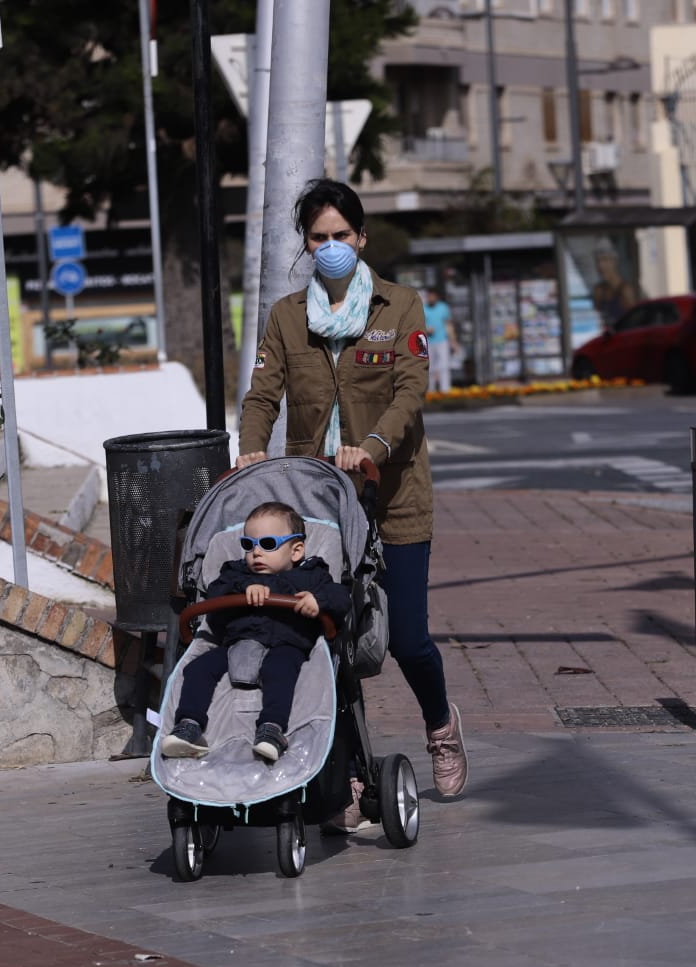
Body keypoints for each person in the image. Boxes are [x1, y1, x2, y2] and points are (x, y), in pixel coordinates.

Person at [236, 177, 469, 808]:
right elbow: (262, 395)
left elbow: (410, 394)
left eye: (342, 235)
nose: (332, 246)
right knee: (326, 636)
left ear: (361, 238)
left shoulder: (400, 306)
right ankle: (347, 769)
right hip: (319, 505)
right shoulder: (288, 316)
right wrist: (251, 447)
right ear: (306, 246)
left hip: (393, 497)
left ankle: (441, 727)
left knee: (405, 638)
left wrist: (373, 448)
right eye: (319, 238)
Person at [162, 502, 350, 763]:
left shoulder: (311, 575)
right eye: (249, 546)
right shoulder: (235, 573)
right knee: (197, 668)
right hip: (237, 645)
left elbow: (340, 597)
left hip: (287, 644)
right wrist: (243, 589)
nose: (257, 553)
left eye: (269, 544)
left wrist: (319, 601)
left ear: (296, 550)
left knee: (279, 671)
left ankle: (272, 729)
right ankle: (189, 726)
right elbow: (214, 596)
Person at [590, 239, 640, 329]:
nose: (600, 266)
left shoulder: (625, 290)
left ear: (614, 262)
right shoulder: (598, 291)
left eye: (605, 260)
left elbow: (634, 321)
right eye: (598, 261)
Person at [421, 288, 460, 395]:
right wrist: (426, 329)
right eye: (429, 296)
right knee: (430, 367)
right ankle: (430, 391)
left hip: (442, 340)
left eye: (432, 296)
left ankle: (445, 391)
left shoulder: (443, 307)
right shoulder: (423, 308)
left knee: (444, 366)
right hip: (428, 342)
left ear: (436, 297)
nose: (430, 298)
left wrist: (453, 341)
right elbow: (418, 326)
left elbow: (448, 324)